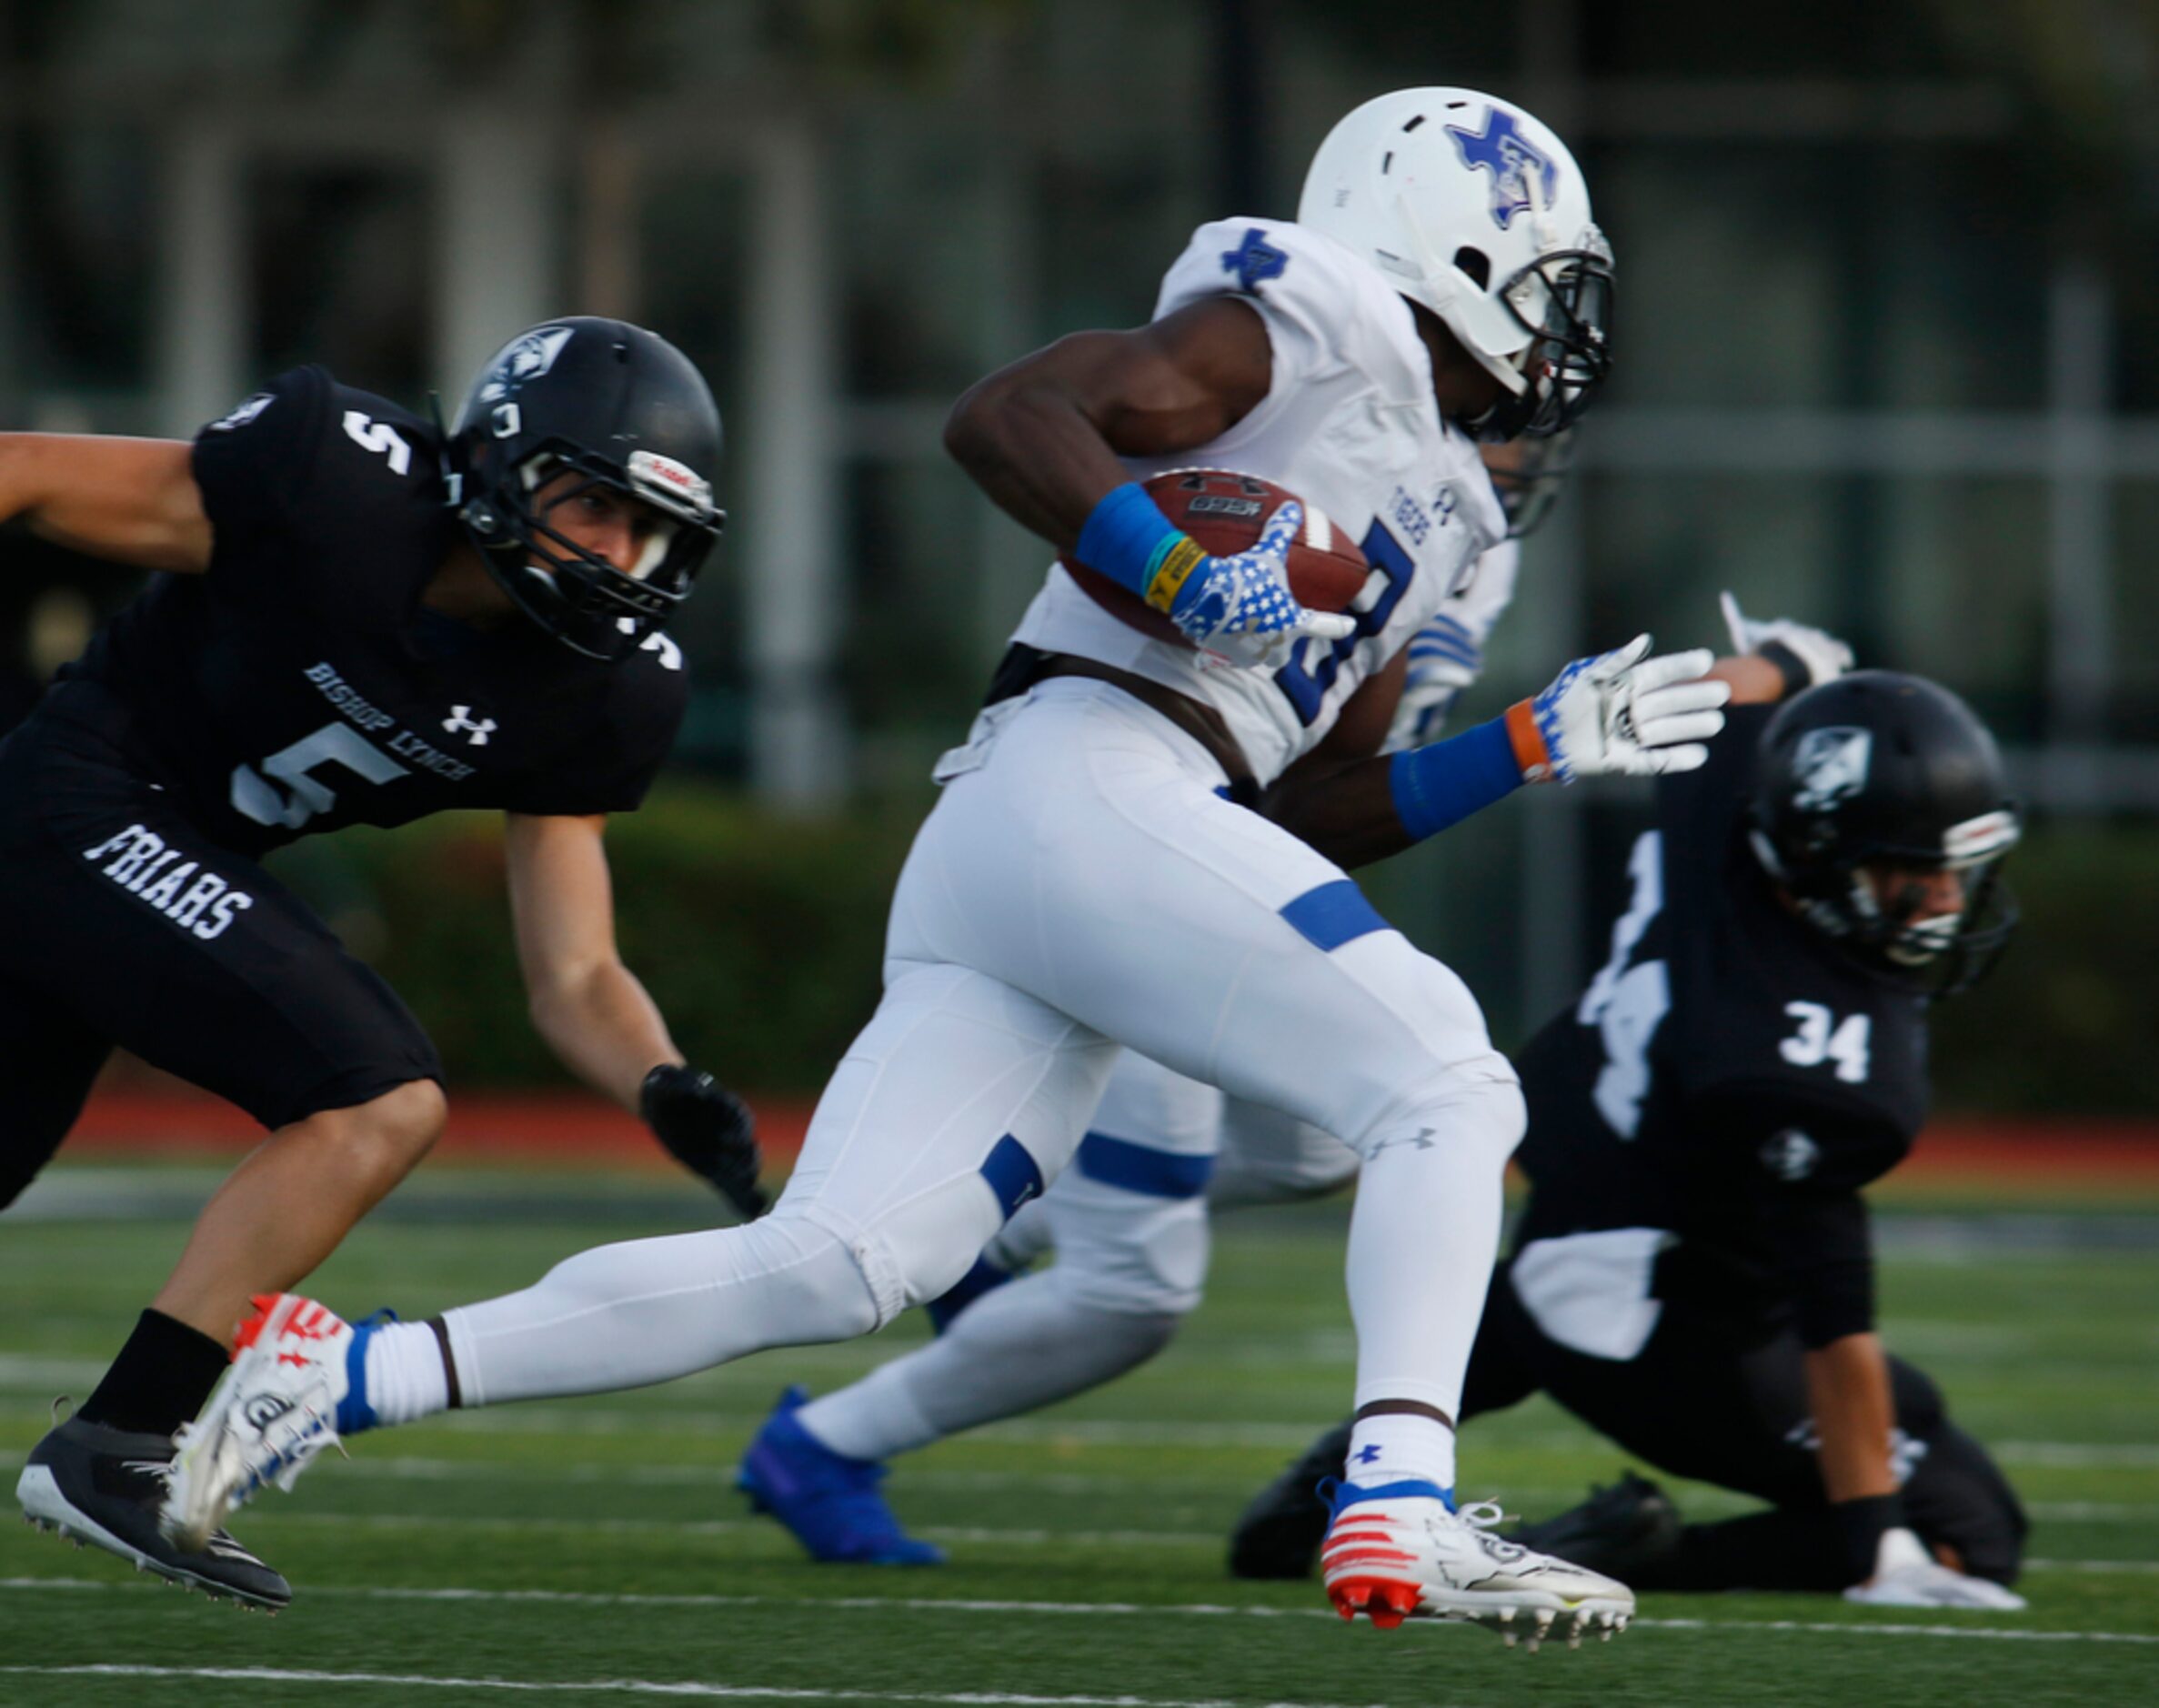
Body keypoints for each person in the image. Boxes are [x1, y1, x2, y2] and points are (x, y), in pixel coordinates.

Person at [160, 87, 1729, 1647]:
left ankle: (339, 1372)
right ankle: (1395, 1496)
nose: (1558, 328)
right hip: (1082, 773)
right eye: (1540, 279)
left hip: (1061, 830)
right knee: (1448, 1082)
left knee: (839, 1262)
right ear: (1438, 238)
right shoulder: (1305, 322)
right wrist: (1181, 570)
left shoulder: (1451, 507)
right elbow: (1007, 415)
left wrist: (1524, 743)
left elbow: (1305, 803)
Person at [3, 316, 765, 1609]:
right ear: (498, 464)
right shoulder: (334, 484)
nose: (613, 553)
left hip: (140, 857)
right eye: (589, 505)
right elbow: (21, 466)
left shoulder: (598, 686)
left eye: (642, 529)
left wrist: (661, 1081)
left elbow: (572, 970)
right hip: (76, 799)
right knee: (375, 1092)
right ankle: (121, 1438)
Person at [729, 439, 1562, 1571]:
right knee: (1131, 1290)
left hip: (1239, 874)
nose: (1511, 436)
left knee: (1328, 1145)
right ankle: (830, 1437)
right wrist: (1528, 742)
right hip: (1166, 866)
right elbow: (1293, 798)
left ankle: (999, 1217)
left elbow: (1324, 800)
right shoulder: (1336, 477)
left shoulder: (1474, 546)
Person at [1225, 635, 2031, 1612]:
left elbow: (1712, 695)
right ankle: (1608, 1550)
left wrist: (1778, 660)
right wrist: (1875, 1547)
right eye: (1914, 873)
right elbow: (1834, 1319)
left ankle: (1323, 1485)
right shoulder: (1801, 1058)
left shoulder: (1730, 807)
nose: (1945, 901)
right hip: (1647, 1319)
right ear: (1824, 856)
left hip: (1568, 1239)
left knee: (1593, 1273)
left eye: (1956, 870)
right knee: (1973, 1528)